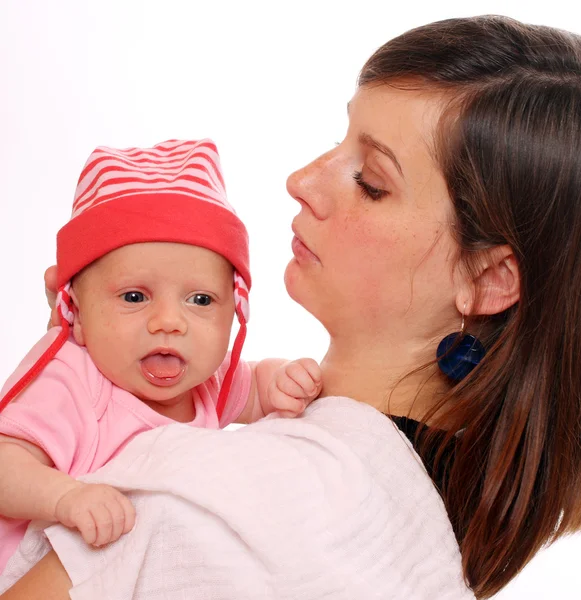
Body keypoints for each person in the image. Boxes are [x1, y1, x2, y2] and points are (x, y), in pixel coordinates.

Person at [2, 13, 581, 600]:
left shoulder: (217, 510)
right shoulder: (412, 511)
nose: (300, 180)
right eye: (337, 142)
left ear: (485, 279)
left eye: (371, 181)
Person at [0, 139, 322, 572]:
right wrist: (65, 497)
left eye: (201, 300)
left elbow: (255, 391)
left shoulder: (207, 384)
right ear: (75, 312)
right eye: (135, 296)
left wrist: (283, 379)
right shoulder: (73, 379)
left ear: (236, 309)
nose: (169, 322)